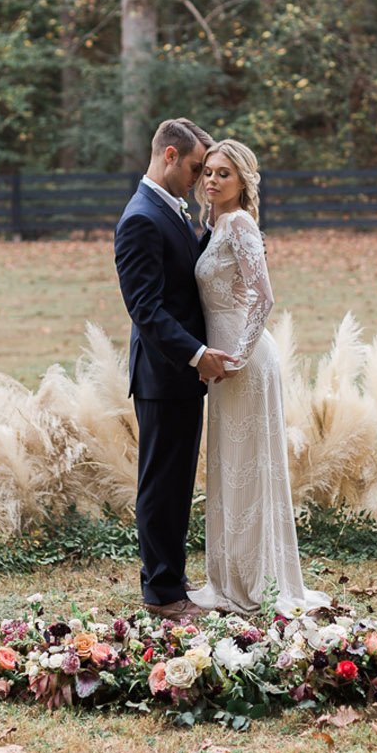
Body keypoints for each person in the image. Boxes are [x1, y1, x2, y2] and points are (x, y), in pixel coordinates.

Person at [188, 139, 330, 617]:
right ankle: (229, 577)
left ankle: (259, 581)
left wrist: (237, 358)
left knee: (250, 467)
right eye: (207, 172)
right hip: (222, 363)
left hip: (243, 364)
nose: (212, 180)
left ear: (242, 180)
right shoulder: (215, 225)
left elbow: (263, 298)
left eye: (223, 174)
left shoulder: (241, 225)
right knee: (230, 468)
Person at [114, 118, 235, 621]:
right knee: (162, 485)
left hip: (181, 377)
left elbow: (186, 277)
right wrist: (196, 354)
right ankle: (162, 594)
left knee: (177, 482)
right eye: (192, 167)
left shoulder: (172, 210)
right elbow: (146, 309)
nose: (197, 177)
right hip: (165, 375)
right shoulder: (141, 218)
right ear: (168, 155)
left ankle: (172, 577)